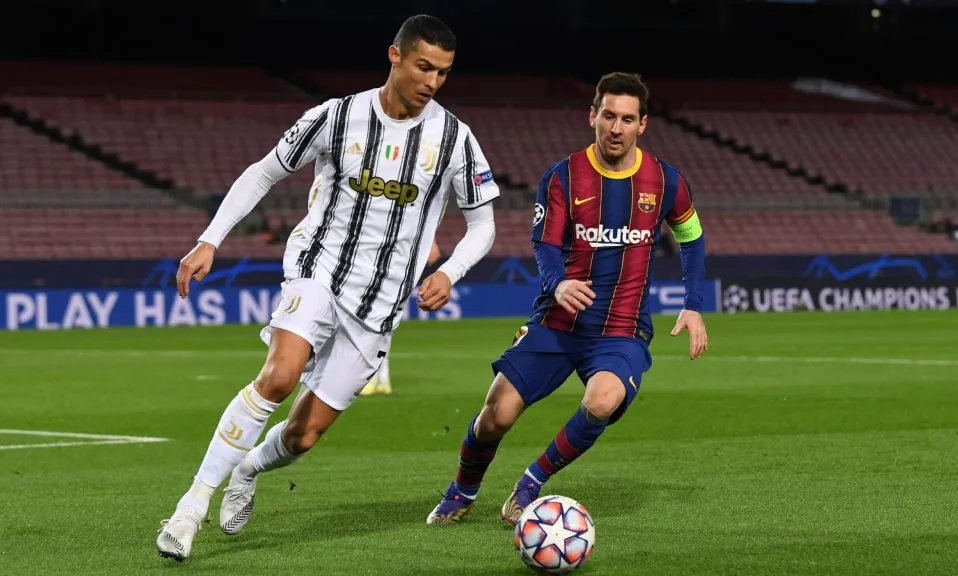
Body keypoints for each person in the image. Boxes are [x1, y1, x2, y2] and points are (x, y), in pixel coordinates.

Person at [156, 14, 500, 560]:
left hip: (380, 305)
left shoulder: (455, 139)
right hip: (318, 272)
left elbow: (484, 224)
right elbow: (264, 171)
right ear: (395, 56)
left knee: (302, 436)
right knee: (279, 375)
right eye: (423, 66)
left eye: (443, 72)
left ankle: (247, 467)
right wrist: (209, 240)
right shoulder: (337, 117)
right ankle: (188, 510)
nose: (432, 81)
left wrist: (448, 272)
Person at [426, 72, 708, 526]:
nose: (617, 128)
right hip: (558, 322)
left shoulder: (665, 181)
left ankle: (530, 484)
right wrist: (557, 284)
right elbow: (546, 244)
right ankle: (462, 490)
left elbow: (692, 238)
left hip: (621, 329)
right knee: (496, 414)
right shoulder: (562, 176)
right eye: (609, 116)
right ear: (592, 116)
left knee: (602, 400)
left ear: (643, 124)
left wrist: (693, 302)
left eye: (628, 119)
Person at [359, 240, 443, 396]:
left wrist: (430, 241)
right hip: (392, 257)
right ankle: (381, 379)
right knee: (381, 318)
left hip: (392, 258)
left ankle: (372, 377)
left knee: (376, 316)